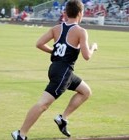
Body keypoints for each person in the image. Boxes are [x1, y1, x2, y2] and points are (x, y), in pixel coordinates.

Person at [11, 0, 98, 140]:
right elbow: (87, 56)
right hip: (63, 73)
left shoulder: (56, 28)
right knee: (43, 104)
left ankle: (62, 118)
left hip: (57, 69)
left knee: (86, 92)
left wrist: (55, 52)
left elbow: (39, 44)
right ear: (80, 13)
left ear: (66, 13)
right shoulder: (81, 31)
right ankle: (20, 134)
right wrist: (93, 47)